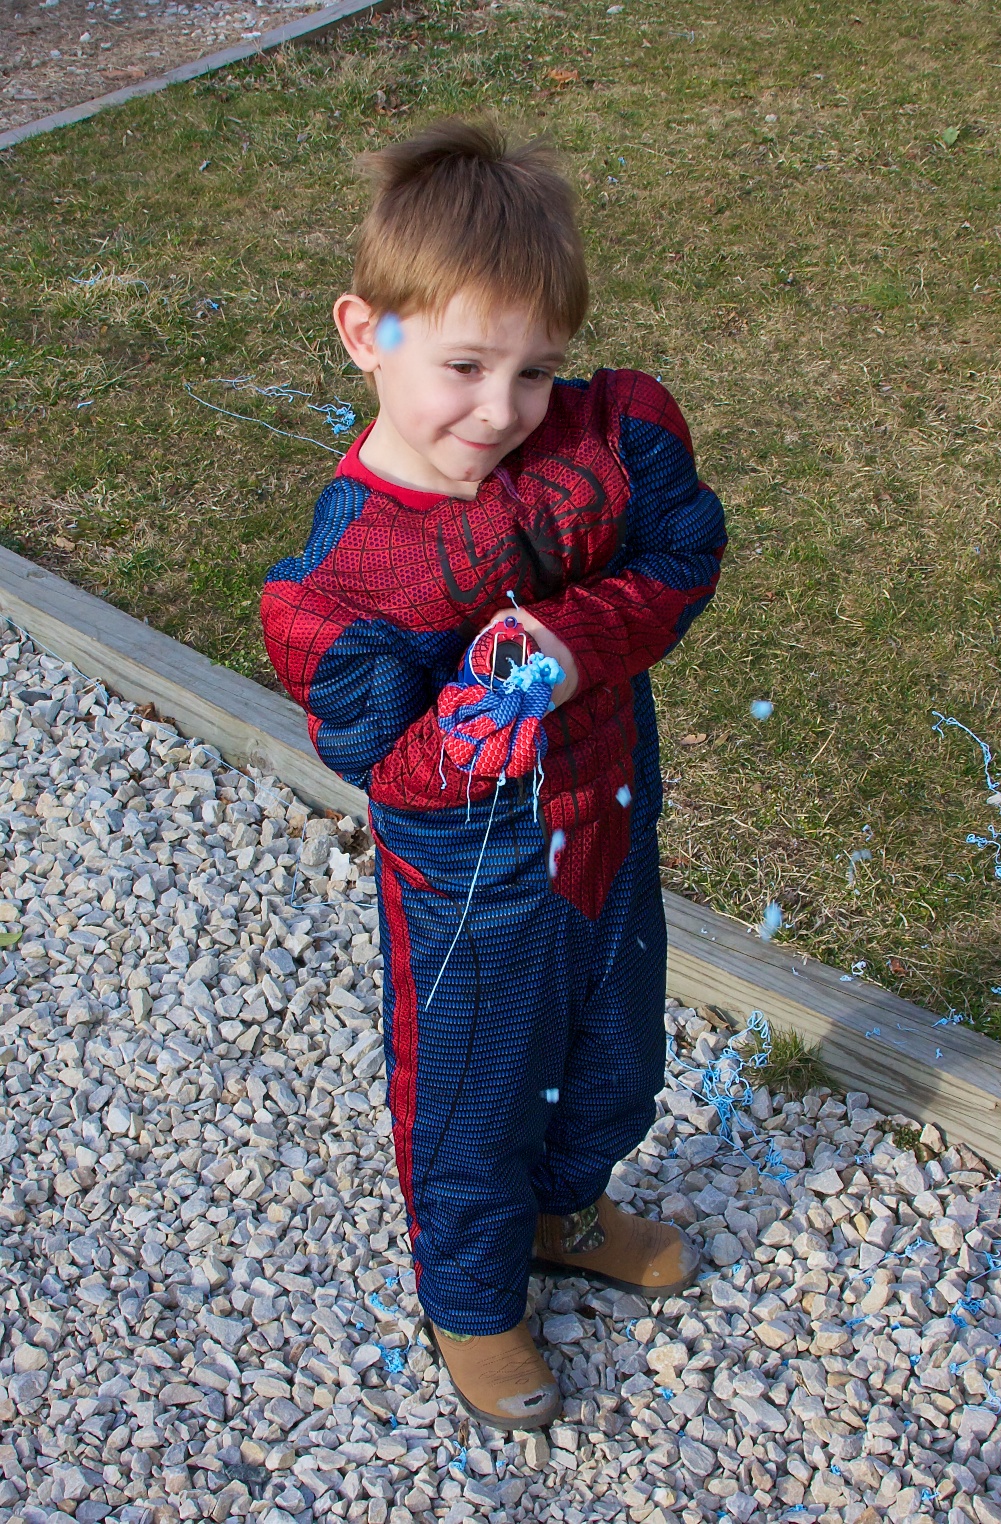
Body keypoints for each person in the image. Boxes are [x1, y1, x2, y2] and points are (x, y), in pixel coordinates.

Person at [261, 117, 727, 1431]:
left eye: (536, 371)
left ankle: (563, 1213)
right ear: (367, 333)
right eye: (464, 365)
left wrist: (570, 642)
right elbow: (384, 758)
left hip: (608, 821)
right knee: (473, 1086)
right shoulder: (344, 582)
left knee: (617, 1049)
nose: (502, 411)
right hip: (474, 882)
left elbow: (682, 556)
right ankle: (472, 1301)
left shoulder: (600, 445)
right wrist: (481, 711)